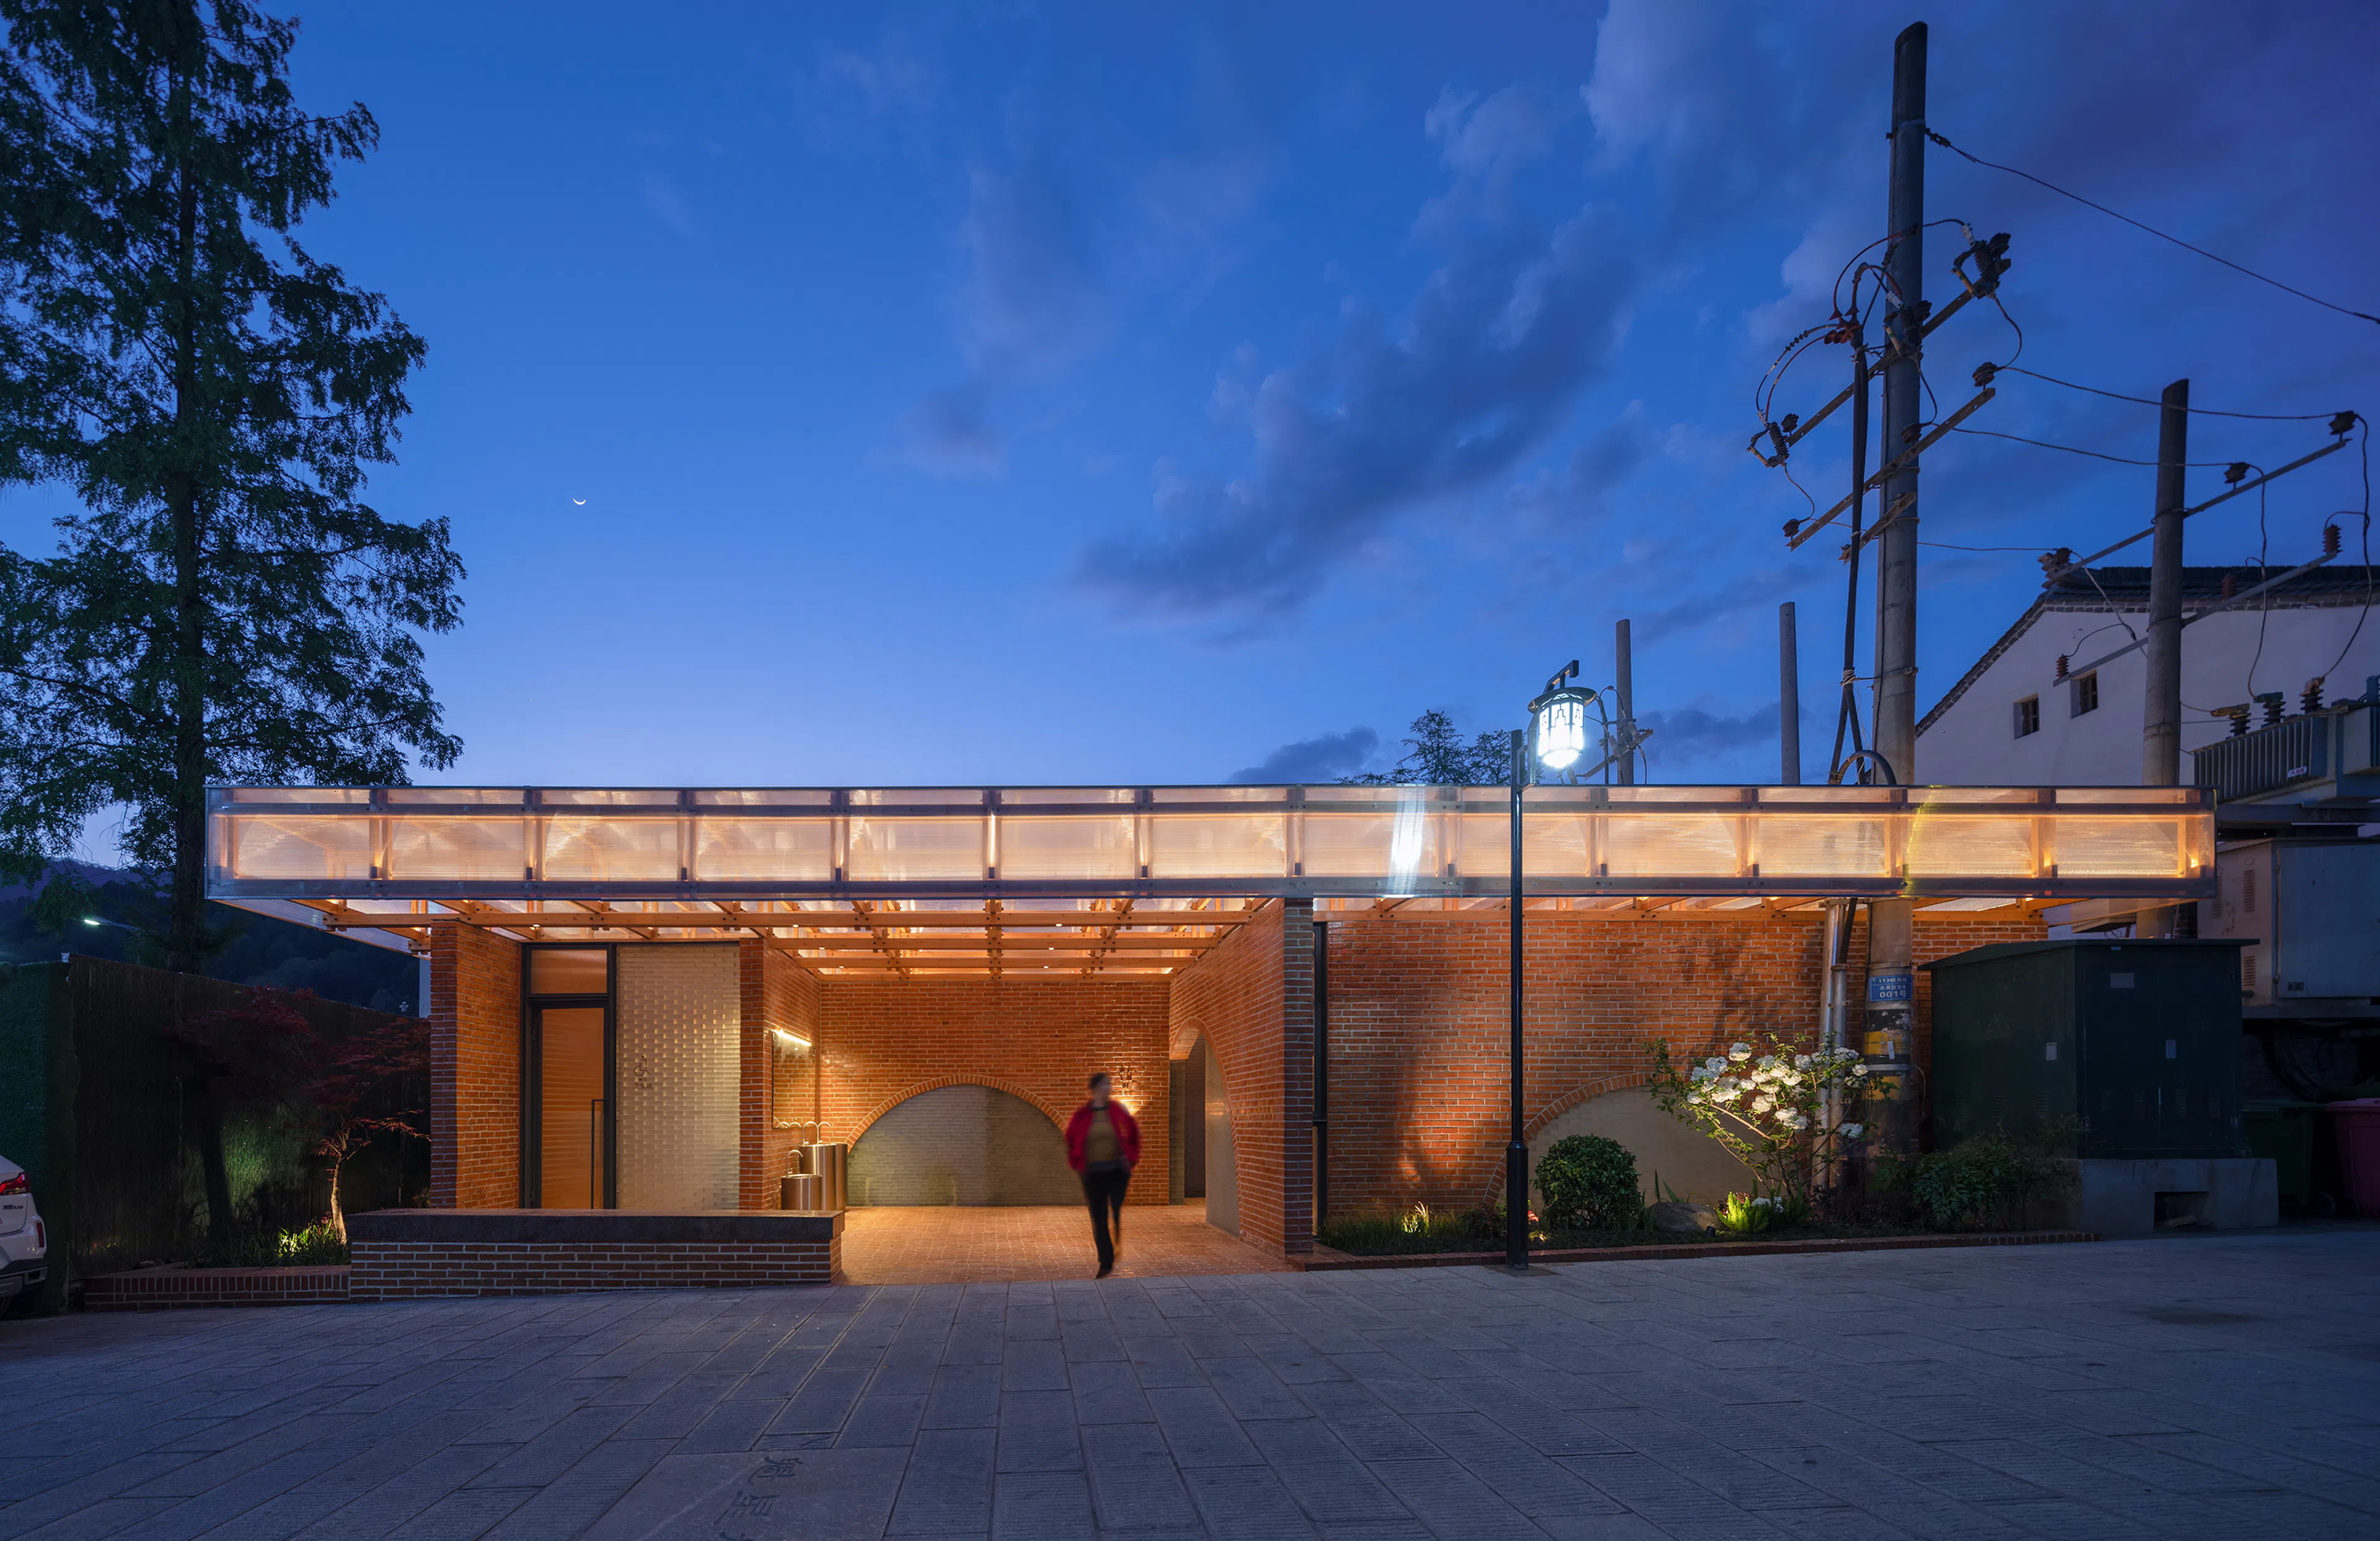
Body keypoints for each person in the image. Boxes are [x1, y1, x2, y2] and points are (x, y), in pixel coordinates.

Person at [1064, 1072, 1140, 1278]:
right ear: (1095, 1089)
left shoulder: (1117, 1110)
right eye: (1105, 1085)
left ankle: (1116, 1230)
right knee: (1099, 1217)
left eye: (1109, 1084)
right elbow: (1070, 1138)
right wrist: (1077, 1162)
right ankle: (1106, 1261)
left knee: (1115, 1207)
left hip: (1116, 1170)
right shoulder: (1083, 1114)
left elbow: (1134, 1132)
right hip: (1092, 1173)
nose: (1109, 1088)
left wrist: (1131, 1157)